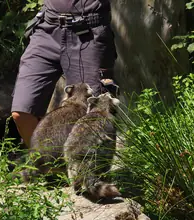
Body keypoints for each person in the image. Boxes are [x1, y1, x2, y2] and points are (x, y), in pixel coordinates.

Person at [11, 0, 117, 148]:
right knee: (22, 113)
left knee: (93, 116)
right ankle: (47, 167)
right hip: (47, 29)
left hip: (89, 32)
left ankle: (82, 169)